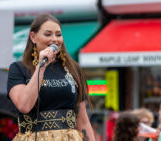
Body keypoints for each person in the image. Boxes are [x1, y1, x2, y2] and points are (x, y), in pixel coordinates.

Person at [7, 13, 95, 141]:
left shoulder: (73, 69)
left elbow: (83, 121)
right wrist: (41, 67)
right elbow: (24, 105)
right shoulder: (19, 69)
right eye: (48, 34)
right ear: (33, 37)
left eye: (58, 35)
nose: (54, 39)